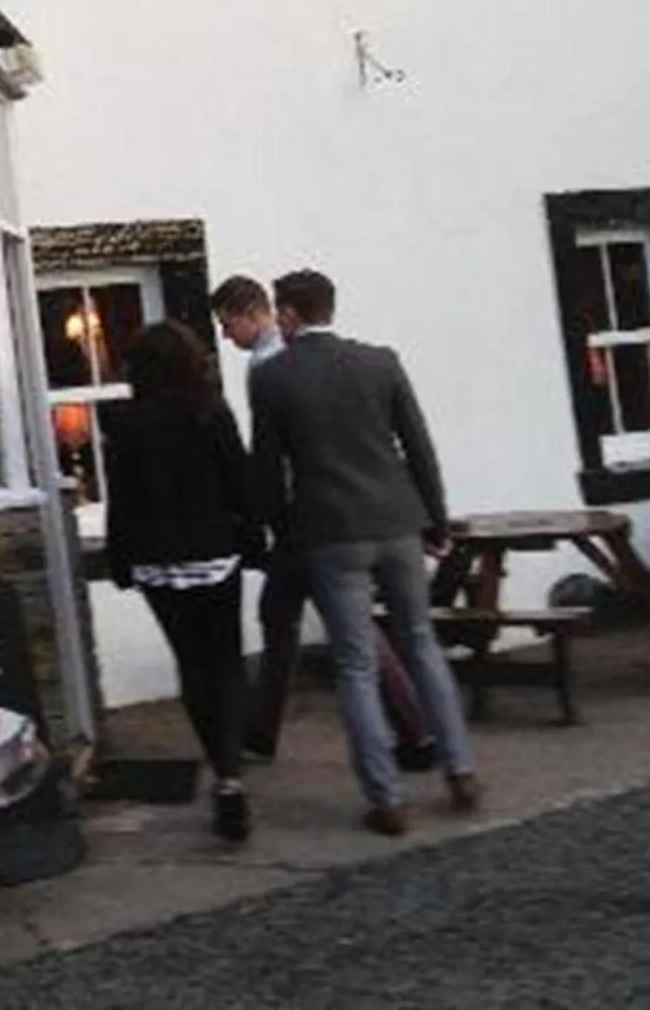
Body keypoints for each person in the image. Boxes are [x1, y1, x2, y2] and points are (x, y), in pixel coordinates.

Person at [249, 270, 481, 836]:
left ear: (290, 314)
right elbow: (418, 445)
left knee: (355, 664)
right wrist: (435, 517)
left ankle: (387, 797)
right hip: (397, 518)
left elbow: (267, 468)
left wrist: (284, 534)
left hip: (330, 530)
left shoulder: (274, 377)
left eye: (281, 310)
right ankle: (459, 768)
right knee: (421, 643)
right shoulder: (381, 362)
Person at [211, 276, 436, 772]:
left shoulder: (273, 365)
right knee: (282, 616)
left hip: (309, 519)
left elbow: (278, 453)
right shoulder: (272, 359)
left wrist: (273, 518)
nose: (226, 335)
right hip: (312, 516)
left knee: (343, 628)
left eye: (228, 324)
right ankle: (264, 730)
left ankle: (415, 727)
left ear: (252, 313)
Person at [103, 320, 264, 843]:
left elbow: (122, 501)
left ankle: (219, 767)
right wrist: (255, 541)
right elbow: (241, 482)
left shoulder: (125, 423)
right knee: (226, 663)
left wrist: (120, 562)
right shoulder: (210, 412)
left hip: (157, 562)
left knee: (192, 666)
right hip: (213, 554)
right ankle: (232, 776)